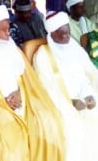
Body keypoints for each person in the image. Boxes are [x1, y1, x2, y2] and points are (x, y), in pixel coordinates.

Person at [0, 5, 65, 161]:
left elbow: (29, 80)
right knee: (8, 143)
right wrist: (3, 101)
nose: (8, 33)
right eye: (3, 29)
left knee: (50, 122)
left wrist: (21, 95)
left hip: (23, 101)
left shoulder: (14, 49)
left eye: (8, 28)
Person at [33, 11, 98, 161]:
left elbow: (88, 75)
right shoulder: (43, 55)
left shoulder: (74, 48)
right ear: (52, 34)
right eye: (61, 34)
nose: (66, 37)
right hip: (61, 104)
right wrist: (71, 102)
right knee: (73, 129)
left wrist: (89, 94)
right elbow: (46, 88)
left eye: (67, 32)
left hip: (84, 98)